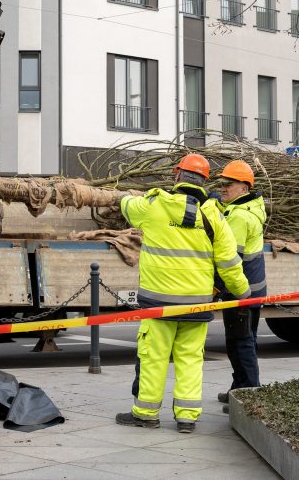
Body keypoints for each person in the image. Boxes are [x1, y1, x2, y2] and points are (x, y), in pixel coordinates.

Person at [114, 153, 250, 434]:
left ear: (177, 175)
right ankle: (187, 417)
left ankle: (146, 414)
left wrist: (127, 196)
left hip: (158, 302)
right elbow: (229, 264)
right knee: (190, 359)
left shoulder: (154, 205)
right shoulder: (214, 215)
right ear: (205, 181)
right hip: (197, 305)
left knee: (153, 358)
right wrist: (243, 293)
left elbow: (127, 207)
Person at [213, 159, 267, 410]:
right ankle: (239, 388)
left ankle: (247, 395)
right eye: (221, 183)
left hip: (241, 290)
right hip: (251, 288)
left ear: (244, 188)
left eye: (228, 184)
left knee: (241, 342)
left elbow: (229, 259)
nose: (223, 188)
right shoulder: (248, 209)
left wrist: (216, 286)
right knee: (242, 339)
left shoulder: (238, 217)